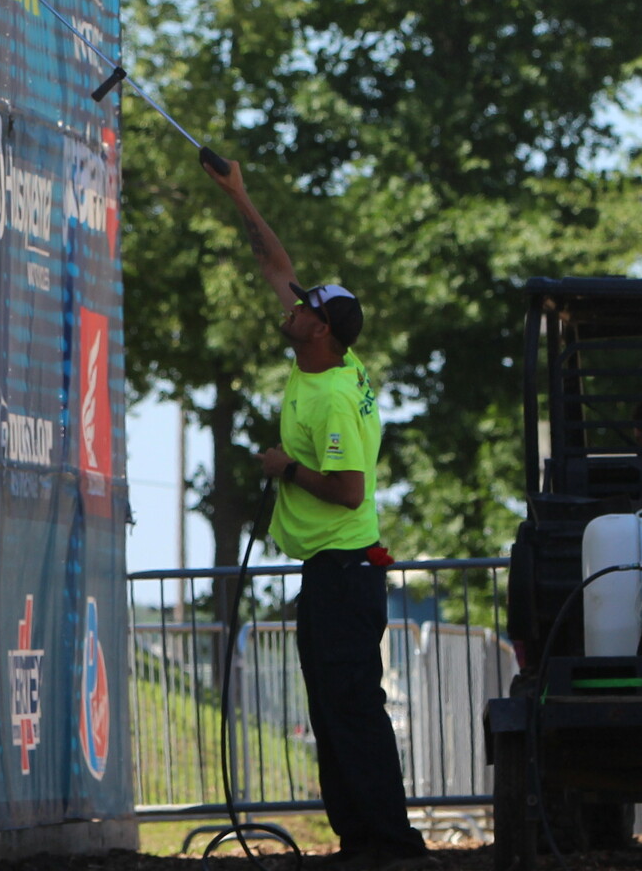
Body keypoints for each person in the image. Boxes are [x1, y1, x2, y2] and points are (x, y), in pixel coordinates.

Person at [204, 152, 432, 865]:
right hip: (334, 571)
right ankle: (362, 840)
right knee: (335, 709)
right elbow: (277, 265)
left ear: (321, 330)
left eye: (305, 308)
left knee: (351, 711)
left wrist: (287, 468)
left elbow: (349, 490)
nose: (292, 306)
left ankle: (388, 843)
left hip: (344, 571)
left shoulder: (333, 396)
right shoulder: (332, 358)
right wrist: (239, 195)